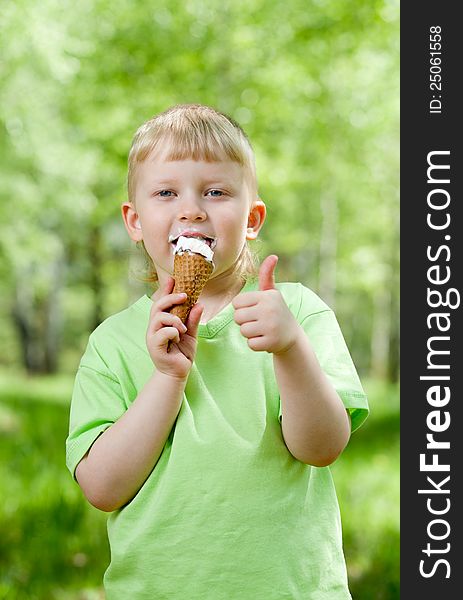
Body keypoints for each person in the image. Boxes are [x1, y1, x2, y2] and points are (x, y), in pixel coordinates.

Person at [66, 104, 369, 599]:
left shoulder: (296, 312)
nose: (192, 209)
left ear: (251, 219)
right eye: (166, 192)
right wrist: (166, 378)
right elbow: (102, 488)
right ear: (135, 220)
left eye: (216, 191)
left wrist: (290, 348)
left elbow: (322, 447)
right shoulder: (112, 344)